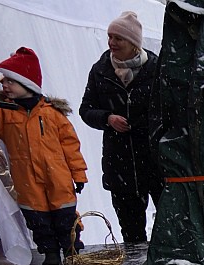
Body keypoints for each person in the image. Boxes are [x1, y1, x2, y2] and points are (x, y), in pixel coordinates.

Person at [0, 47, 87, 265]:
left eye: (11, 81)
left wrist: (78, 174)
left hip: (57, 177)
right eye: (4, 82)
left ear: (27, 83)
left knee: (65, 216)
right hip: (27, 179)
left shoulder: (52, 114)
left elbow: (71, 146)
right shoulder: (4, 112)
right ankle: (50, 253)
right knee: (38, 220)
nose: (5, 86)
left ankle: (71, 250)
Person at [79, 11, 160, 247]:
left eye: (118, 38)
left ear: (134, 43)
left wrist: (146, 124)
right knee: (132, 233)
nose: (111, 43)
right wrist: (107, 118)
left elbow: (169, 110)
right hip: (120, 163)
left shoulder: (155, 69)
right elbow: (86, 109)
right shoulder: (100, 70)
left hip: (154, 161)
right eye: (109, 37)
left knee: (168, 226)